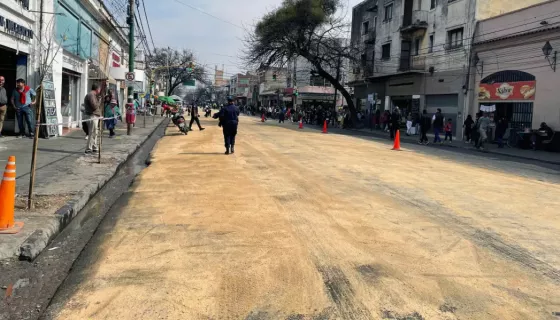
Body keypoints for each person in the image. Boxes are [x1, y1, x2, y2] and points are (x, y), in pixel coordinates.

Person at [83, 84, 101, 154]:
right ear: (97, 89)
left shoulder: (93, 95)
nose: (100, 90)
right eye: (99, 89)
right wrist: (99, 100)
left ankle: (94, 146)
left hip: (94, 116)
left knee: (95, 132)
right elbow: (94, 106)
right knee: (92, 132)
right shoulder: (91, 95)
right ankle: (88, 148)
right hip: (92, 116)